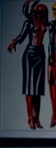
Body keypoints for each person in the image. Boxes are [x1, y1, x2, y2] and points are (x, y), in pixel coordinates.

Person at [7, 0, 48, 130]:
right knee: (30, 88)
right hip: (30, 54)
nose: (40, 14)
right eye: (38, 12)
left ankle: (37, 118)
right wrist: (14, 43)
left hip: (41, 54)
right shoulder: (30, 22)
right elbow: (21, 35)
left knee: (38, 89)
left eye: (42, 12)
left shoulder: (46, 23)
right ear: (35, 12)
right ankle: (30, 117)